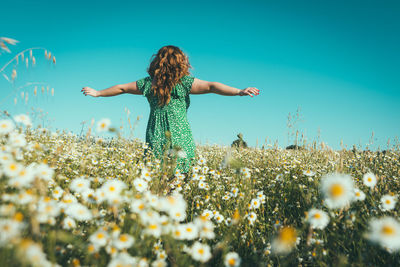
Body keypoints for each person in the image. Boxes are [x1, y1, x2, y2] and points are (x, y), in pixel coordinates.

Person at [81, 45, 260, 175]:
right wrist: (238, 91)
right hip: (181, 136)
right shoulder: (184, 83)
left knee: (159, 177)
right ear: (181, 62)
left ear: (157, 62)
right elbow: (212, 86)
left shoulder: (148, 84)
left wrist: (98, 93)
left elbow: (121, 88)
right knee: (180, 180)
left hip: (155, 135)